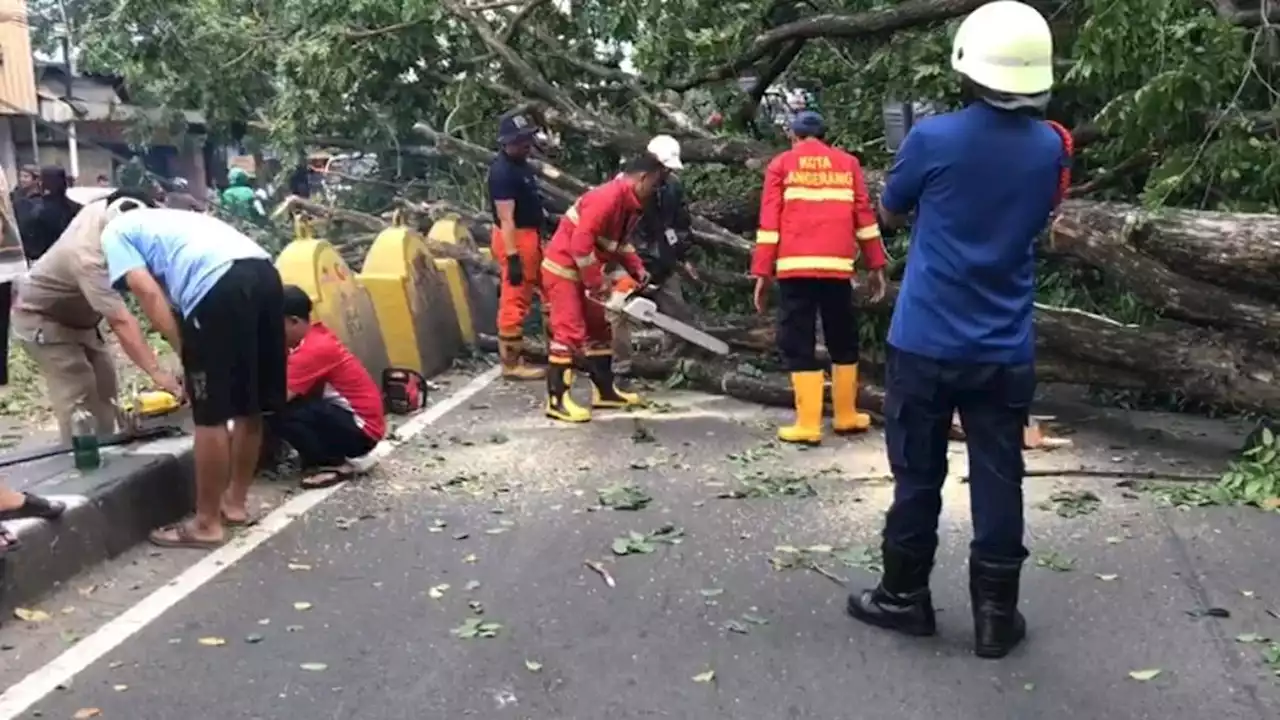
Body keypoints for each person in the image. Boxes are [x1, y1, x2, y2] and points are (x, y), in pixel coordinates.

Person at [846, 0, 1070, 660]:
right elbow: (1046, 212)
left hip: (924, 343)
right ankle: (996, 618)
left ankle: (903, 598)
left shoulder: (934, 138)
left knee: (917, 476)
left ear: (969, 66)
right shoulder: (1051, 148)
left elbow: (887, 209)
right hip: (1003, 349)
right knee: (1000, 477)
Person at [100, 208, 285, 549]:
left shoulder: (113, 231)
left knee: (210, 413)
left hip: (219, 285)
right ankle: (235, 504)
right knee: (250, 403)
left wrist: (186, 351)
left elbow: (147, 292)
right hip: (265, 274)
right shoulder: (173, 221)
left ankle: (206, 523)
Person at [750, 111, 888, 446]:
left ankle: (808, 424)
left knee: (798, 340)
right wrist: (876, 266)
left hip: (795, 270)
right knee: (842, 335)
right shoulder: (848, 164)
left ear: (793, 137)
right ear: (826, 137)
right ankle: (845, 416)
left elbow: (770, 224)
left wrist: (762, 273)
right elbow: (865, 218)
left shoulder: (781, 165)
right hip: (837, 269)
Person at [12, 191, 181, 442]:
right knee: (79, 393)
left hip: (82, 318)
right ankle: (82, 461)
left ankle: (108, 447)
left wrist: (186, 356)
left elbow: (158, 294)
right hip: (41, 318)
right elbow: (122, 321)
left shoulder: (107, 209)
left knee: (106, 386)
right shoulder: (89, 257)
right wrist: (159, 374)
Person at [540, 154, 666, 422]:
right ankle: (556, 400)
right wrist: (596, 284)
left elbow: (618, 244)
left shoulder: (629, 205)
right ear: (643, 178)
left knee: (599, 329)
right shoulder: (606, 198)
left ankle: (605, 390)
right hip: (564, 269)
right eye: (654, 183)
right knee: (569, 333)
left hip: (587, 270)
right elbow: (580, 246)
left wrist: (637, 268)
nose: (655, 190)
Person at [267, 286, 386, 488]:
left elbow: (277, 398)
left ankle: (334, 463)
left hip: (362, 431)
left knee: (277, 411)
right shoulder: (313, 337)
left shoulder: (312, 350)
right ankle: (328, 457)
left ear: (294, 321)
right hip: (360, 424)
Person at [610, 135, 697, 384]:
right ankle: (620, 367)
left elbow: (680, 223)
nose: (666, 173)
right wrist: (635, 264)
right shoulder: (627, 187)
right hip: (629, 260)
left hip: (663, 261)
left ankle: (669, 362)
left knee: (679, 316)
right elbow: (623, 231)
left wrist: (684, 255)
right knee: (618, 312)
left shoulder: (673, 186)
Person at [488, 113, 547, 380]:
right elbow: (506, 218)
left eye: (527, 138)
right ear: (507, 142)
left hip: (531, 234)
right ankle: (511, 363)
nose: (526, 144)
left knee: (549, 290)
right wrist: (512, 256)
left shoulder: (522, 165)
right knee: (516, 298)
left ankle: (559, 349)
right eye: (521, 140)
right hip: (515, 237)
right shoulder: (502, 172)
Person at [22, 166, 82, 262]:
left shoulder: (37, 210)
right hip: (73, 260)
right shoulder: (77, 208)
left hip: (46, 263)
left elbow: (31, 245)